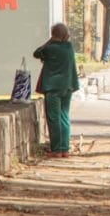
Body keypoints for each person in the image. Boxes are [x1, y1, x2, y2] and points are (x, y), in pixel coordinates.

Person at [34, 23, 81, 158]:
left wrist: (50, 40)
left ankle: (56, 149)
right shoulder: (69, 47)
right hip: (67, 86)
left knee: (54, 118)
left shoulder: (50, 48)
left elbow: (36, 53)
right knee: (64, 116)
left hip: (53, 87)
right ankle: (65, 148)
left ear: (54, 35)